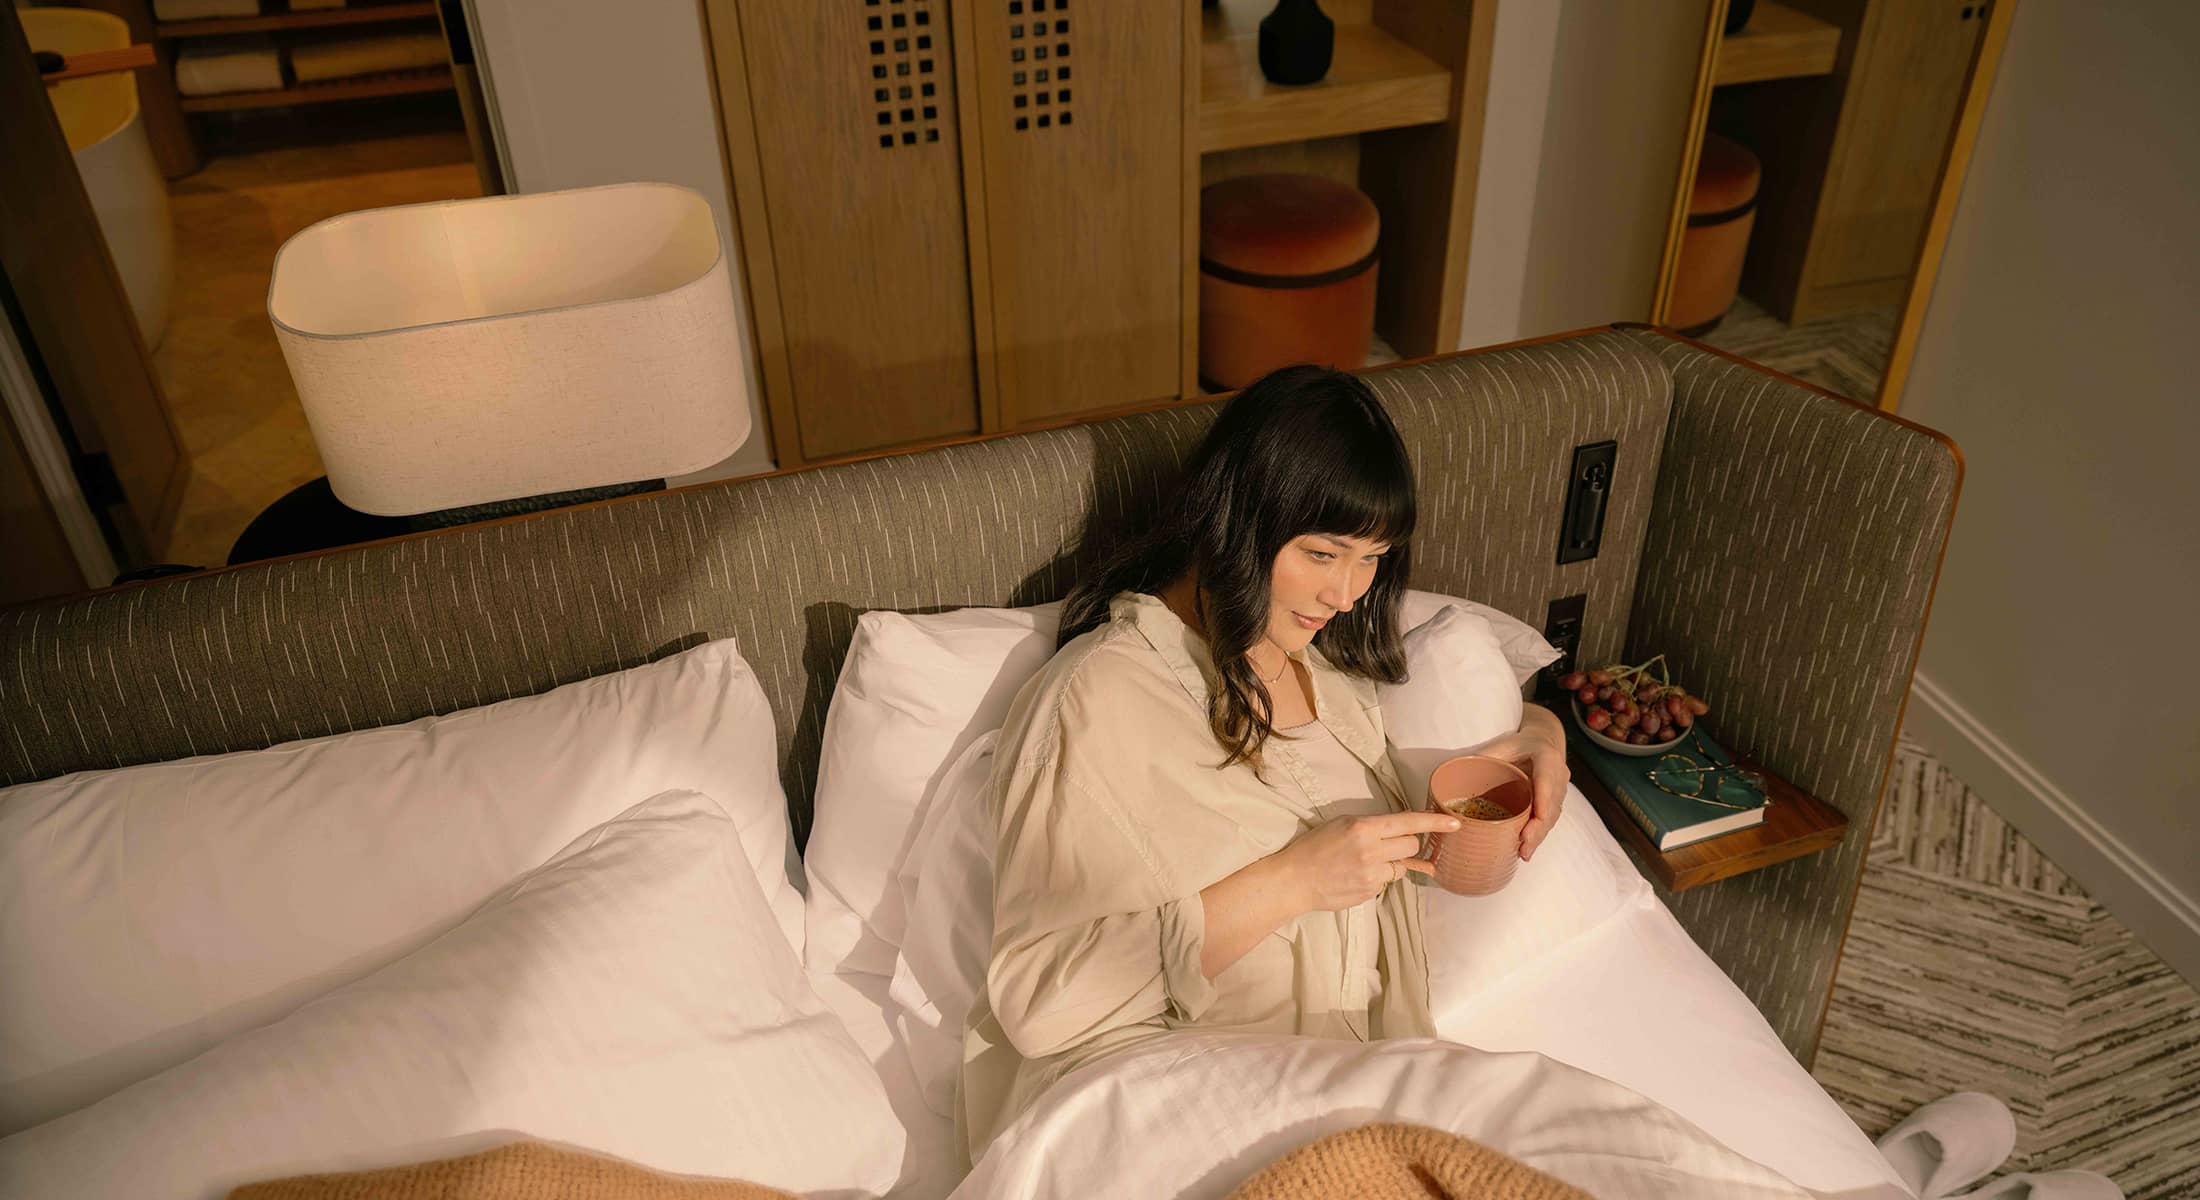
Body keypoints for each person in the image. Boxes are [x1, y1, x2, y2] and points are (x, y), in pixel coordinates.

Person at [956, 365, 1569, 1162]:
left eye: (1372, 559)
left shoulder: (1331, 672)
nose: (1347, 592)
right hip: (1176, 1112)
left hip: (1360, 1100)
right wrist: (1292, 882)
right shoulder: (1097, 698)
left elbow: (1478, 677)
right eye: (1322, 554)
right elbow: (1041, 999)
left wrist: (1541, 734)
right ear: (1240, 519)